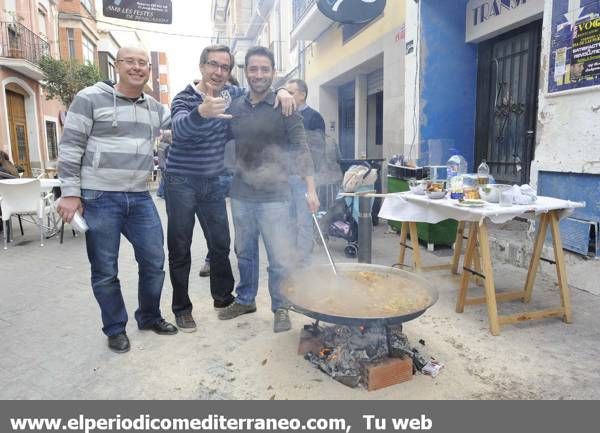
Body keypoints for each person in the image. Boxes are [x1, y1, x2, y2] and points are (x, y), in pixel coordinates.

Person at [166, 45, 295, 333]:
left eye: (225, 67)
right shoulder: (184, 97)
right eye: (213, 65)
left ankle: (226, 299)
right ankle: (182, 309)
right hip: (181, 180)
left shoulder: (232, 96)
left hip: (213, 181)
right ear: (202, 66)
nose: (218, 72)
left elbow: (260, 87)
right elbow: (179, 129)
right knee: (180, 247)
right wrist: (200, 112)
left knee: (222, 245)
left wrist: (284, 90)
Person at [57, 46, 177, 354]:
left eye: (142, 63)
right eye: (130, 62)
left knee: (154, 261)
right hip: (99, 196)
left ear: (148, 71)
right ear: (117, 65)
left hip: (139, 196)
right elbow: (70, 146)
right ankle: (114, 328)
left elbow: (179, 126)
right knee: (105, 269)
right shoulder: (89, 97)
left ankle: (149, 317)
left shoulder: (153, 107)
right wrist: (70, 193)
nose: (137, 67)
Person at [219, 46, 319, 333]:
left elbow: (302, 149)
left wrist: (311, 189)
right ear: (246, 72)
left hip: (276, 195)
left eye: (264, 69)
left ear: (273, 73)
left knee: (278, 255)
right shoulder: (235, 107)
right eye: (253, 69)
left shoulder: (284, 105)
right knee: (245, 252)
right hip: (241, 193)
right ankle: (246, 299)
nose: (258, 74)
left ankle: (281, 306)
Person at [285, 78, 327, 267]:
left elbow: (317, 149)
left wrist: (309, 176)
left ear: (302, 94)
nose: (288, 95)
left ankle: (304, 261)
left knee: (304, 221)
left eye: (291, 92)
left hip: (304, 178)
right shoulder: (284, 114)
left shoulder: (314, 117)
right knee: (288, 220)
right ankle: (291, 257)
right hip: (285, 177)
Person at [156, 130, 171, 199]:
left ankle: (160, 192)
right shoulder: (167, 146)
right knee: (165, 179)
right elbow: (169, 156)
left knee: (164, 179)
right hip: (165, 165)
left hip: (161, 164)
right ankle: (160, 192)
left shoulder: (160, 144)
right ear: (168, 137)